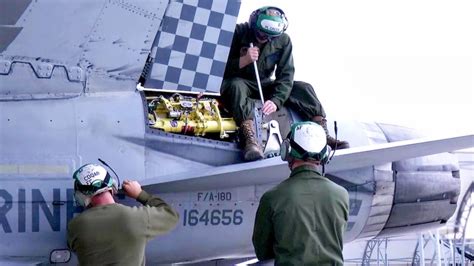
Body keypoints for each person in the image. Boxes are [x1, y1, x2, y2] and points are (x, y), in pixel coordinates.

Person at [221, 6, 349, 162]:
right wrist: (244, 60)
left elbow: (286, 75)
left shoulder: (283, 40)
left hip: (265, 83)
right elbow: (218, 68)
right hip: (239, 81)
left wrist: (276, 100)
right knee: (235, 86)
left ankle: (323, 135)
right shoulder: (238, 32)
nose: (265, 38)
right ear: (254, 24)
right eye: (262, 33)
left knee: (304, 88)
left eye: (270, 36)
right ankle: (250, 140)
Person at [252, 122, 349, 265]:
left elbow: (263, 252)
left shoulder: (272, 198)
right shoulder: (342, 195)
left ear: (287, 151)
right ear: (325, 155)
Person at [67, 163, 179, 265]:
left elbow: (72, 246)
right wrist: (140, 194)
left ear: (82, 195)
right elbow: (171, 215)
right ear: (112, 185)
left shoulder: (75, 226)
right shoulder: (137, 218)